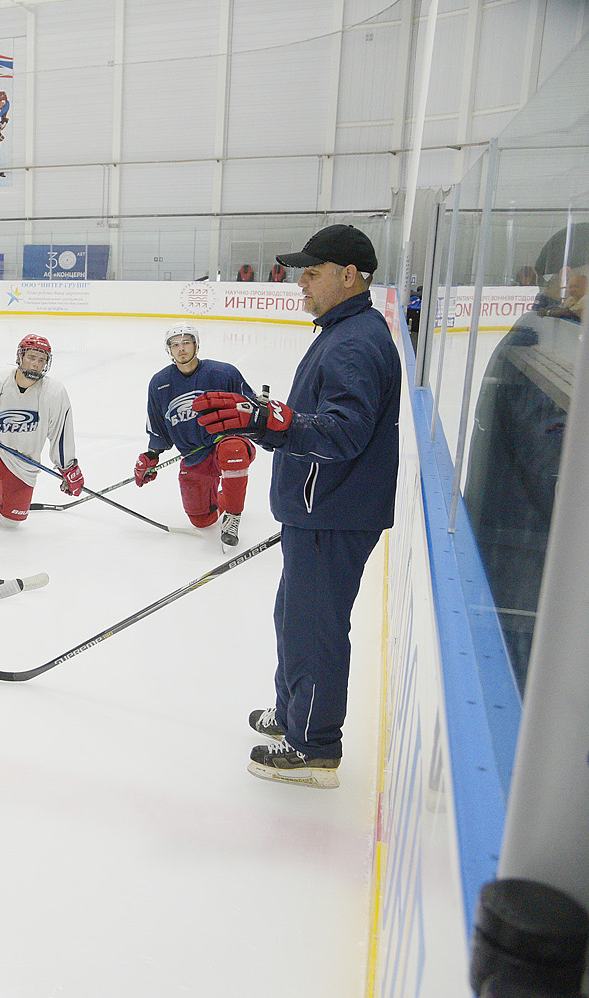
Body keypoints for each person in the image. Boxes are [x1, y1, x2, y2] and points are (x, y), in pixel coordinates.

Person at [193, 223, 400, 790]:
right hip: (320, 508)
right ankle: (293, 713)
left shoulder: (356, 339)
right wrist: (270, 421)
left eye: (311, 271)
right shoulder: (342, 328)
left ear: (348, 275)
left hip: (332, 510)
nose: (298, 280)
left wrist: (275, 423)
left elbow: (345, 432)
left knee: (314, 627)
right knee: (295, 617)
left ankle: (313, 747)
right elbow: (316, 419)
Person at [461, 223, 587, 688]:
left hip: (528, 578)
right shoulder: (541, 354)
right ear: (570, 280)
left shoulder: (551, 341)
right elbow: (559, 483)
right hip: (527, 588)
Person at [135, 321, 256, 550]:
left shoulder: (223, 373)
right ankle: (227, 496)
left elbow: (249, 409)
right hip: (194, 455)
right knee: (202, 519)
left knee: (233, 451)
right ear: (169, 349)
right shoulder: (160, 384)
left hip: (227, 443)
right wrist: (151, 456)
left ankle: (233, 516)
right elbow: (158, 426)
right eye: (175, 344)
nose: (181, 349)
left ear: (196, 345)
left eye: (187, 342)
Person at [0, 335, 80, 545]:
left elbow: (61, 433)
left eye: (41, 360)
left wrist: (68, 468)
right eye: (31, 357)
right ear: (20, 357)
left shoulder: (54, 392)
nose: (36, 363)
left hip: (23, 460)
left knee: (11, 521)